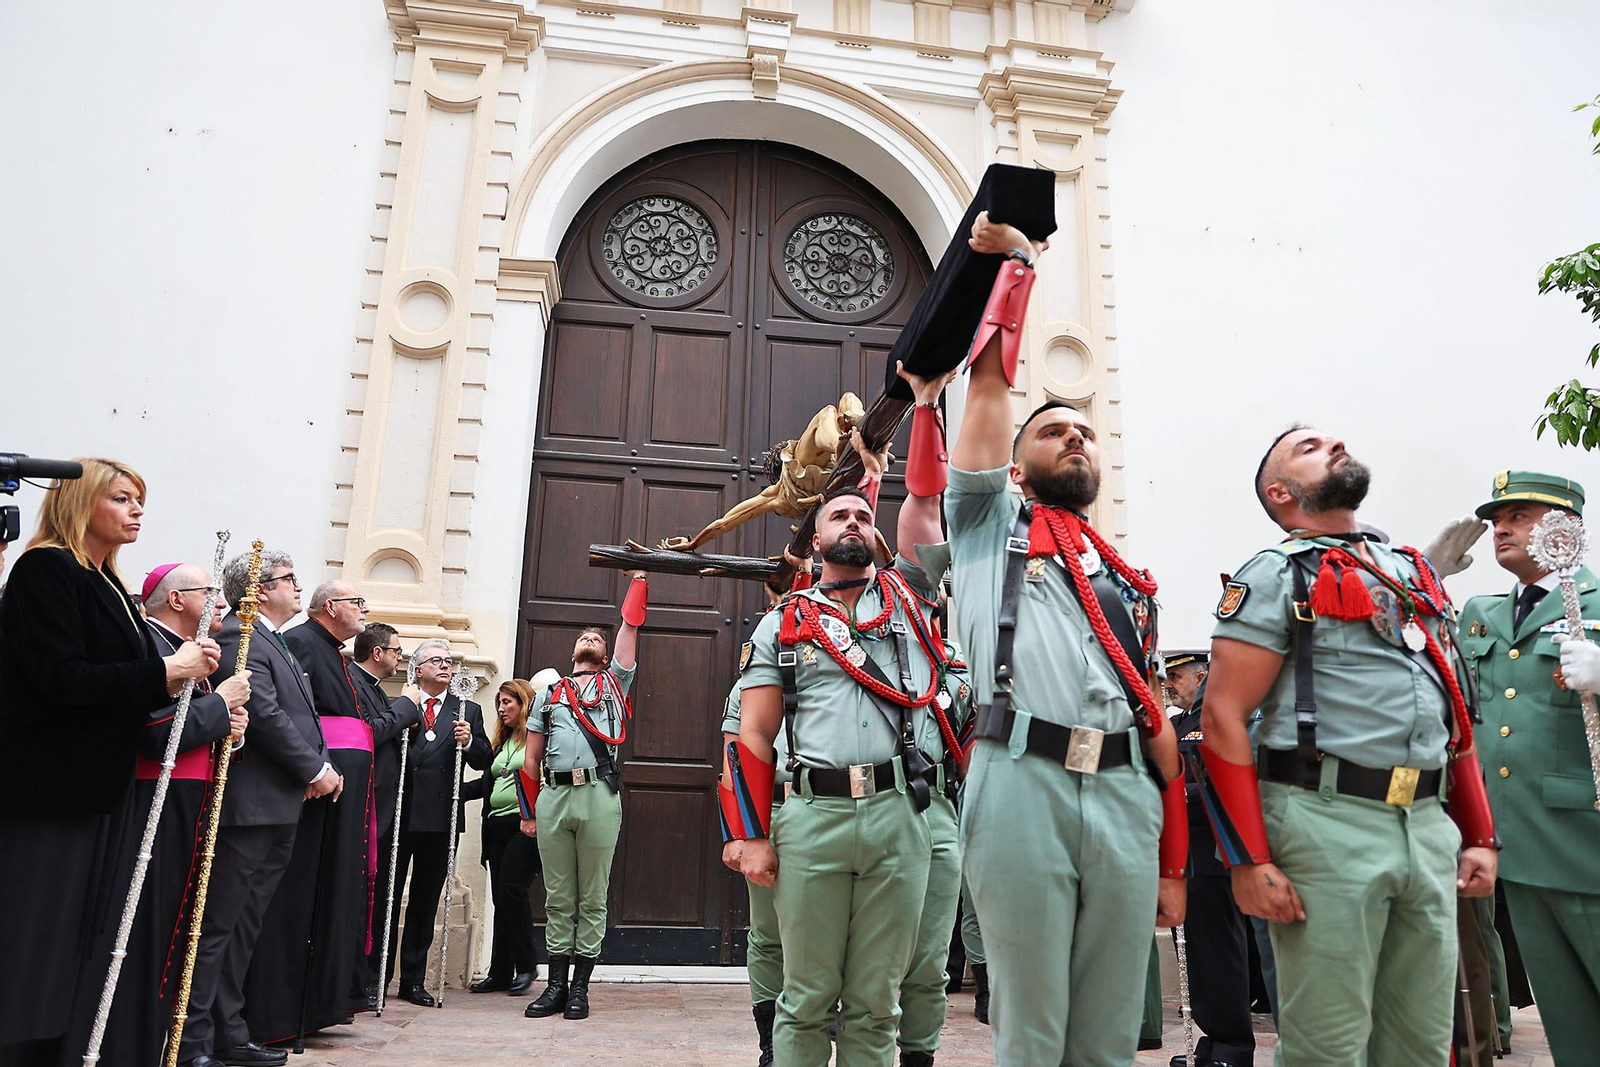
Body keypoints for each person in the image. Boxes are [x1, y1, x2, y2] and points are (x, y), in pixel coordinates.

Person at [945, 215, 1187, 1065]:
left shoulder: (1122, 573)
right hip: (1022, 780)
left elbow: (1154, 706)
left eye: (1083, 431)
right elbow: (984, 396)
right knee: (1033, 1022)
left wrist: (1173, 850)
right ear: (1015, 466)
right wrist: (1015, 273)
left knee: (1113, 1027)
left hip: (1123, 791)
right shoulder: (984, 525)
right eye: (1053, 430)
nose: (1074, 437)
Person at [1199, 426, 1498, 1066]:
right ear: (1280, 493)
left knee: (1419, 1046)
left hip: (1423, 824)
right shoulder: (1277, 574)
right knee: (1327, 1049)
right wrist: (1248, 859)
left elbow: (1455, 710)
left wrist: (1477, 833)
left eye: (1334, 439)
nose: (1334, 444)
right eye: (1309, 447)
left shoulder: (1411, 571)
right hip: (1324, 822)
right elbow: (1223, 715)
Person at [727, 358, 955, 1067]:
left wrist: (925, 411)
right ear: (815, 539)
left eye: (862, 513)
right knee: (804, 997)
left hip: (899, 816)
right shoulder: (785, 622)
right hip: (812, 820)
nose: (854, 521)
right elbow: (755, 735)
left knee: (877, 1003)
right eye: (839, 515)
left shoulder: (912, 602)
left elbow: (924, 502)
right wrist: (753, 835)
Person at [0, 459, 221, 1067]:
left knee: (77, 944)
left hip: (99, 790)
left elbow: (123, 686)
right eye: (122, 498)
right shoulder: (46, 570)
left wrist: (179, 676)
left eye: (139, 499)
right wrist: (165, 672)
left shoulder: (108, 585)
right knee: (37, 941)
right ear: (81, 502)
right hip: (50, 791)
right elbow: (61, 677)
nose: (136, 510)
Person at [1456, 471, 1600, 1066]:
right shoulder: (1480, 613)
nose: (1502, 529)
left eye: (1521, 515)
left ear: (1567, 528)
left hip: (1585, 841)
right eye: (1496, 520)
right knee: (1568, 1017)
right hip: (1516, 839)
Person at [179, 550, 340, 1067]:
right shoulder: (238, 638)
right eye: (289, 579)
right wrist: (314, 771)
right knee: (219, 926)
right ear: (259, 588)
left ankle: (230, 1030)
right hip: (247, 808)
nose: (298, 586)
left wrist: (315, 765)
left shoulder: (278, 642)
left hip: (276, 807)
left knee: (246, 927)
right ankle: (195, 1040)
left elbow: (300, 716)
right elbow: (265, 715)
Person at [90, 563, 249, 1067]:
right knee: (145, 935)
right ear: (176, 600)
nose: (224, 604)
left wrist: (229, 724)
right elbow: (157, 736)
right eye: (211, 594)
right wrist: (221, 706)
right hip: (153, 812)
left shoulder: (191, 658)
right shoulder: (154, 648)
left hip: (188, 806)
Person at [240, 580, 375, 1041]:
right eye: (357, 603)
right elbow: (286, 717)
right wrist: (314, 768)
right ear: (331, 606)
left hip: (337, 792)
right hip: (310, 791)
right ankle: (282, 1010)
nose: (364, 611)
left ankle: (322, 1002)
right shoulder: (297, 642)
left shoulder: (332, 650)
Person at [520, 576, 646, 1022]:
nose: (592, 639)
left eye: (598, 638)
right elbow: (529, 759)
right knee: (557, 896)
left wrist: (639, 580)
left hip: (597, 794)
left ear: (607, 656)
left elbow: (630, 629)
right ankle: (553, 985)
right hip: (554, 797)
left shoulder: (615, 685)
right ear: (573, 654)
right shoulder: (549, 695)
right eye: (584, 638)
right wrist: (528, 812)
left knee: (592, 896)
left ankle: (579, 989)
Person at [720, 564, 810, 1066]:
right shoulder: (750, 682)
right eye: (782, 603)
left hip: (830, 804)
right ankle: (772, 1042)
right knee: (769, 935)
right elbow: (735, 756)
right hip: (772, 808)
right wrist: (740, 831)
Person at [380, 639, 490, 1006]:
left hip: (441, 819)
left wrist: (470, 740)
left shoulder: (467, 709)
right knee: (388, 897)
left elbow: (485, 760)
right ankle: (374, 976)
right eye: (437, 660)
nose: (445, 666)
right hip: (400, 816)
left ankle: (412, 980)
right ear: (417, 668)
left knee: (426, 902)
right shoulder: (401, 705)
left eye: (449, 661)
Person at [1159, 648, 1254, 1067]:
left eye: (1177, 677)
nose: (1169, 685)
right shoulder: (1177, 724)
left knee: (1221, 954)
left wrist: (1179, 794)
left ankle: (1234, 1047)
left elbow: (1223, 777)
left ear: (1201, 677)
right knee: (1197, 958)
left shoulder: (1221, 719)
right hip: (1183, 854)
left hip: (1213, 853)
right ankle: (1211, 1043)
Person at [348, 621, 421, 1009]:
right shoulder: (354, 684)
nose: (399, 656)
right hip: (367, 802)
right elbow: (369, 733)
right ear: (377, 653)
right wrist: (406, 707)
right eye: (395, 650)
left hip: (383, 804)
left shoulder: (375, 689)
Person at [466, 675, 550, 996]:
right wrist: (455, 792)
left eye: (507, 702)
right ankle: (500, 972)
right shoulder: (502, 742)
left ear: (524, 703)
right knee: (501, 899)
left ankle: (526, 965)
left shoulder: (537, 739)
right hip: (495, 826)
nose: (501, 709)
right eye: (498, 703)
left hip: (524, 825)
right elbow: (491, 784)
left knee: (512, 891)